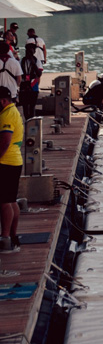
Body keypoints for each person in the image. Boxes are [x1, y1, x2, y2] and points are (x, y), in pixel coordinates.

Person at [0, 85, 23, 254]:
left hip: (6, 161)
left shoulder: (6, 115)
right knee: (12, 200)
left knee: (4, 202)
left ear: (2, 101)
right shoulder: (14, 111)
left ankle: (5, 237)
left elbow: (5, 141)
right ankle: (13, 236)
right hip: (15, 160)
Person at [19, 44, 41, 119]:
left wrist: (33, 62)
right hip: (24, 86)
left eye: (31, 51)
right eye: (28, 51)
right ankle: (27, 120)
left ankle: (31, 120)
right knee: (25, 106)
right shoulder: (22, 61)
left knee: (32, 106)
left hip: (33, 85)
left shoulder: (36, 61)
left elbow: (39, 74)